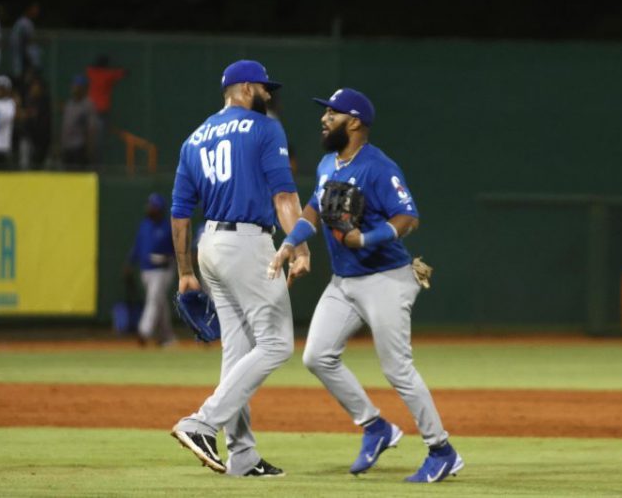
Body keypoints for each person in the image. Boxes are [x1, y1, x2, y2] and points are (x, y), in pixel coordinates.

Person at [268, 88, 463, 483]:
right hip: (344, 282)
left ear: (354, 121)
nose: (324, 119)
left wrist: (366, 239)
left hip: (386, 280)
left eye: (332, 113)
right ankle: (376, 427)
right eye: (325, 113)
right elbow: (313, 209)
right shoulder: (328, 163)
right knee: (317, 356)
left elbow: (408, 217)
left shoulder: (377, 166)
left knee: (397, 369)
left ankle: (442, 450)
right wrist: (291, 241)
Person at [169, 59, 310, 477]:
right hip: (246, 242)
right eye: (265, 88)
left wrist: (185, 271)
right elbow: (284, 196)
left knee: (239, 351)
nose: (269, 95)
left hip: (208, 246)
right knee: (277, 344)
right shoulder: (265, 128)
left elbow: (179, 213)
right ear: (246, 88)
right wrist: (298, 245)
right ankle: (201, 422)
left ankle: (242, 455)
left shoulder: (194, 138)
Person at [125, 193, 177, 347]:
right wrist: (129, 262)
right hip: (146, 270)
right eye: (149, 205)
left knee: (153, 299)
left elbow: (177, 250)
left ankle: (144, 331)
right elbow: (138, 246)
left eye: (152, 206)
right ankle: (167, 337)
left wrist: (167, 257)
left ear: (160, 209)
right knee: (159, 302)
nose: (149, 208)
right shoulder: (145, 225)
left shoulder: (168, 227)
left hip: (163, 271)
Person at [86, 54, 127, 156]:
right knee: (99, 138)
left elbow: (88, 69)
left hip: (90, 108)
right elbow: (123, 73)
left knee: (90, 136)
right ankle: (96, 162)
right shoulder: (108, 74)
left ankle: (92, 160)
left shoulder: (92, 72)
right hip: (101, 110)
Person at [60, 74, 98, 170]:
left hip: (79, 148)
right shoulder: (70, 104)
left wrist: (90, 150)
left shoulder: (88, 105)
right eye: (73, 86)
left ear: (84, 88)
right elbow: (65, 126)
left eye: (77, 86)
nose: (74, 88)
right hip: (67, 148)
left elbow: (91, 129)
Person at [9, 1, 41, 82]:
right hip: (22, 60)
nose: (37, 11)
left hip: (24, 60)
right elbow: (27, 41)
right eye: (34, 9)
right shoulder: (24, 22)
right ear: (29, 9)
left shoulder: (25, 22)